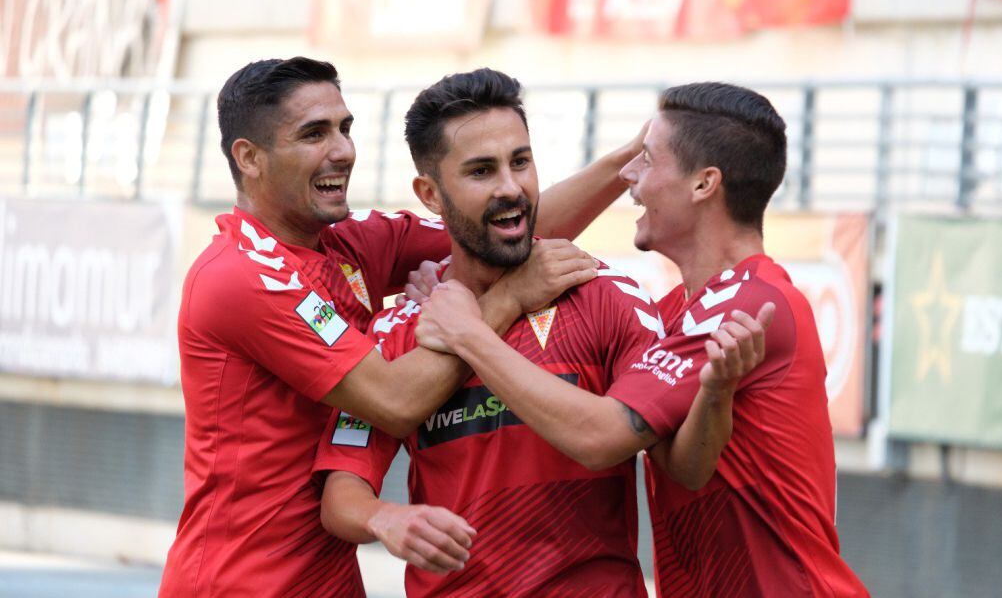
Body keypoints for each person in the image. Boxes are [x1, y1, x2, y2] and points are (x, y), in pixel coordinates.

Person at [157, 57, 645, 598]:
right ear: (249, 158)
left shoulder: (351, 242)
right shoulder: (240, 274)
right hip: (241, 580)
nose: (342, 150)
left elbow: (498, 226)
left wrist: (631, 160)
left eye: (345, 128)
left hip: (328, 574)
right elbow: (392, 399)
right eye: (314, 133)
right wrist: (507, 298)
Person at [313, 68, 766, 597]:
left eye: (520, 162)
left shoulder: (608, 295)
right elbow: (342, 493)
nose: (511, 188)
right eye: (482, 171)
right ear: (431, 195)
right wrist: (386, 518)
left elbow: (675, 463)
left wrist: (716, 393)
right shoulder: (400, 327)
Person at [419, 82, 868, 596]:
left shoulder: (747, 303)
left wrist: (470, 332)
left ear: (703, 185)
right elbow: (682, 467)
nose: (630, 177)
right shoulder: (680, 312)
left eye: (647, 161)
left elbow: (601, 438)